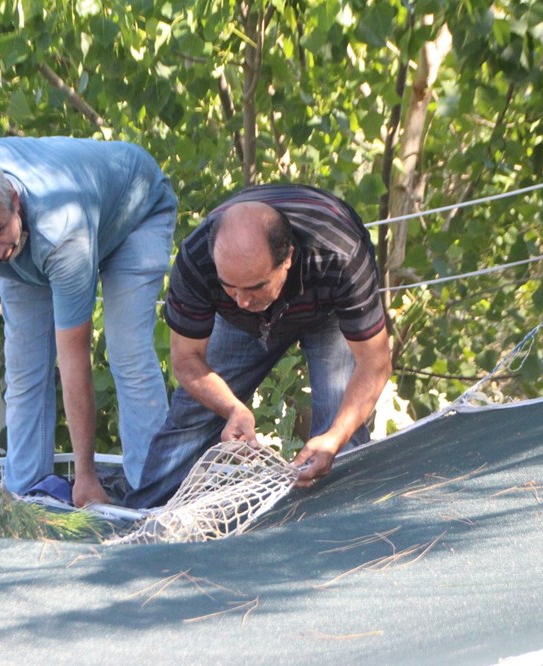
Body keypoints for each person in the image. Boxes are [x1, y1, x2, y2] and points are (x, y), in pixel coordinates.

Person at [0, 137, 176, 508]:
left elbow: (74, 362)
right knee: (25, 368)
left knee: (128, 355)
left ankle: (156, 500)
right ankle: (24, 498)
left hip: (135, 211)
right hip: (43, 236)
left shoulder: (61, 233)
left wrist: (86, 477)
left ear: (13, 198)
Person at [124, 184, 391, 509]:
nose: (244, 299)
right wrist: (233, 409)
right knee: (192, 416)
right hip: (237, 326)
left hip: (328, 310)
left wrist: (334, 438)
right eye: (229, 286)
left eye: (255, 286)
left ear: (288, 258)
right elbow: (186, 360)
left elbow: (374, 362)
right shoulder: (196, 260)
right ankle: (144, 519)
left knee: (339, 433)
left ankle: (338, 533)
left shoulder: (339, 253)